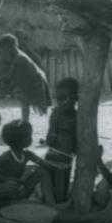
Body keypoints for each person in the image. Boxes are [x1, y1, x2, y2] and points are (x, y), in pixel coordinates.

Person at [0, 119, 70, 202]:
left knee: (42, 171)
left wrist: (59, 167)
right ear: (20, 140)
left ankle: (51, 204)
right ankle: (10, 202)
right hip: (5, 192)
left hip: (19, 191)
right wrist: (3, 181)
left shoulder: (27, 154)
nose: (31, 138)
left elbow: (43, 163)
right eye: (29, 136)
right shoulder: (6, 157)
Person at [0, 33, 52, 123]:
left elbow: (11, 75)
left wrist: (5, 83)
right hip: (32, 80)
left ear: (10, 48)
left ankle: (33, 122)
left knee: (40, 106)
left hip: (36, 81)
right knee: (25, 101)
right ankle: (25, 122)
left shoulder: (20, 59)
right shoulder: (16, 57)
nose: (2, 53)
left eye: (3, 50)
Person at [40, 77, 79, 205]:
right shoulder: (56, 114)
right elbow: (49, 140)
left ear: (75, 98)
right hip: (52, 159)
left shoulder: (79, 117)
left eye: (64, 98)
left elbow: (78, 145)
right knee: (50, 197)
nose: (60, 102)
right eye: (58, 99)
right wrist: (53, 137)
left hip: (66, 162)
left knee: (60, 197)